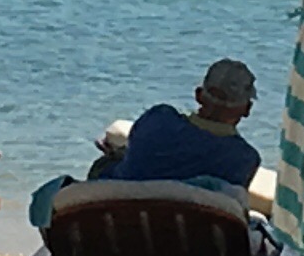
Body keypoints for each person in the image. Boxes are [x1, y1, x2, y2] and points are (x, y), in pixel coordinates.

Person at [108, 61, 262, 191]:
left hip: (116, 208)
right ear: (247, 109)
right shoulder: (244, 159)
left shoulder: (157, 118)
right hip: (188, 217)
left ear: (198, 95)